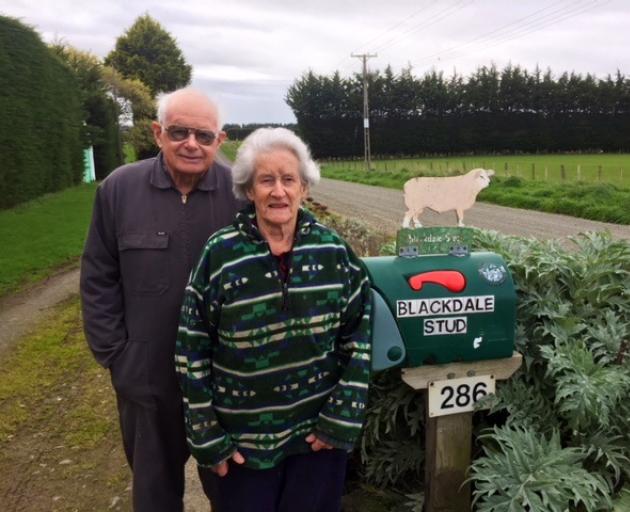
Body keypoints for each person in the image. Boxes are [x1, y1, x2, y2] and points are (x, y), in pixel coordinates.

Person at [176, 127, 372, 512]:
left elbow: (360, 338)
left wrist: (340, 419)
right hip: (243, 447)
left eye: (289, 180)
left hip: (318, 439)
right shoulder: (221, 255)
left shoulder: (334, 252)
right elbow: (191, 348)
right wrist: (208, 436)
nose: (278, 191)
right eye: (266, 180)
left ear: (305, 188)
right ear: (250, 190)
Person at [80, 88, 243, 511]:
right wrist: (117, 356)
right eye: (179, 132)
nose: (191, 143)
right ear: (157, 133)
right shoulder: (119, 190)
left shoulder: (240, 195)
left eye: (203, 136)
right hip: (146, 380)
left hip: (225, 382)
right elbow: (98, 278)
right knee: (155, 495)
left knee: (235, 493)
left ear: (219, 141)